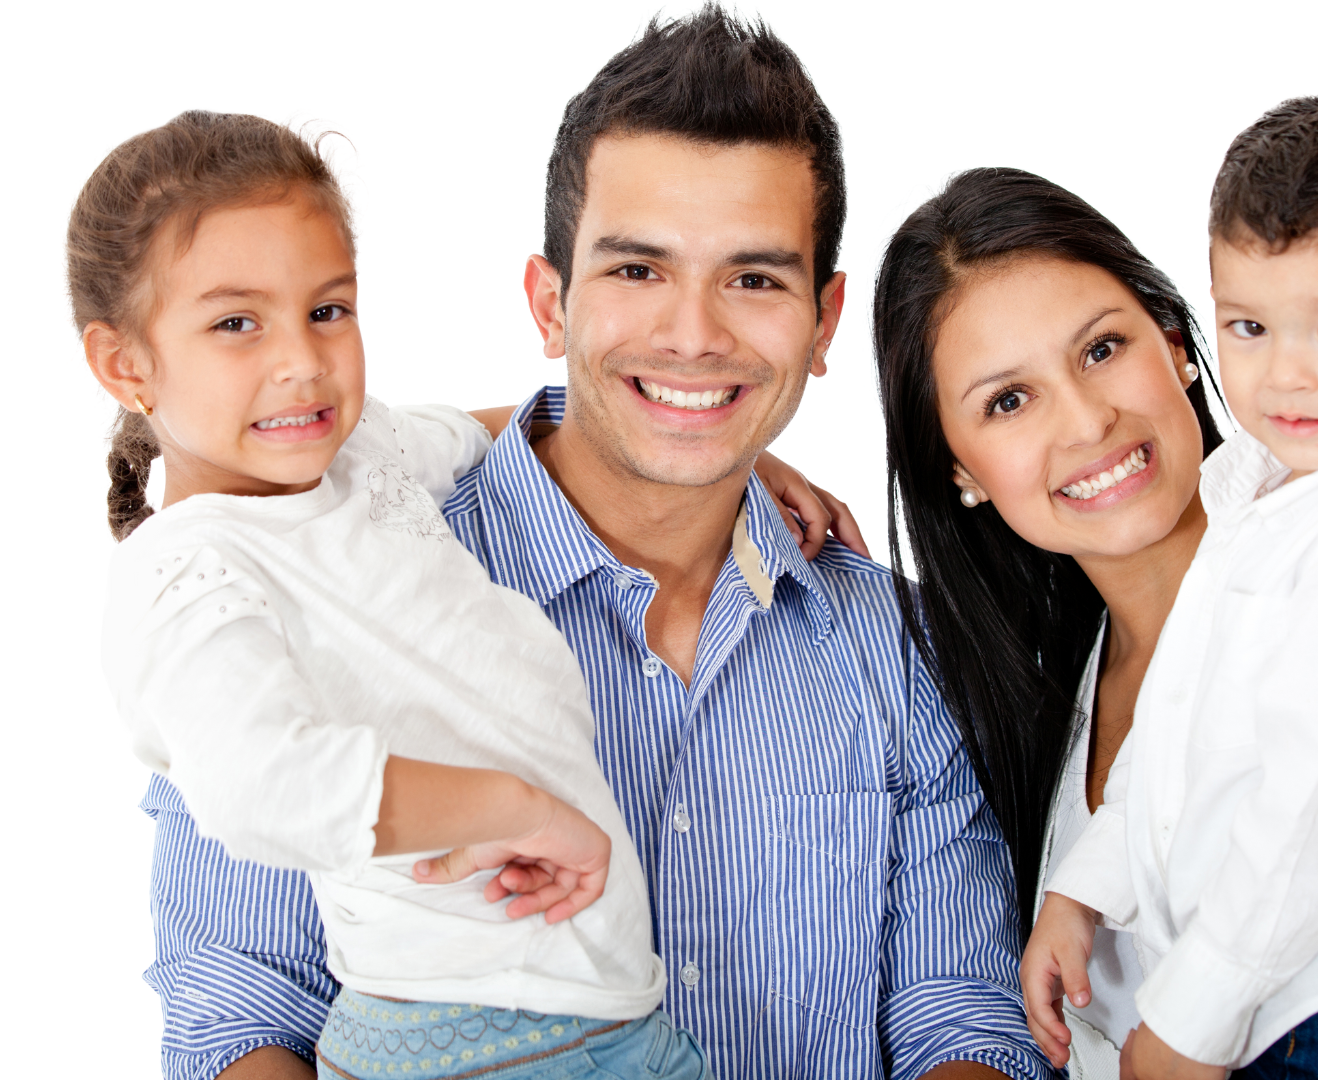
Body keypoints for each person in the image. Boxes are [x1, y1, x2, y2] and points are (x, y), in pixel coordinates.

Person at [117, 6, 1051, 1079]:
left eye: (753, 279)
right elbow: (241, 1007)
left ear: (824, 323)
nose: (694, 335)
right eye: (637, 272)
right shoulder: (317, 577)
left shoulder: (897, 645)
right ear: (548, 303)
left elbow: (962, 1019)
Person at [863, 158, 1318, 1080]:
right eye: (1008, 401)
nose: (1088, 420)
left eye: (1101, 349)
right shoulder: (1040, 708)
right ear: (956, 470)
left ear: (1176, 342)